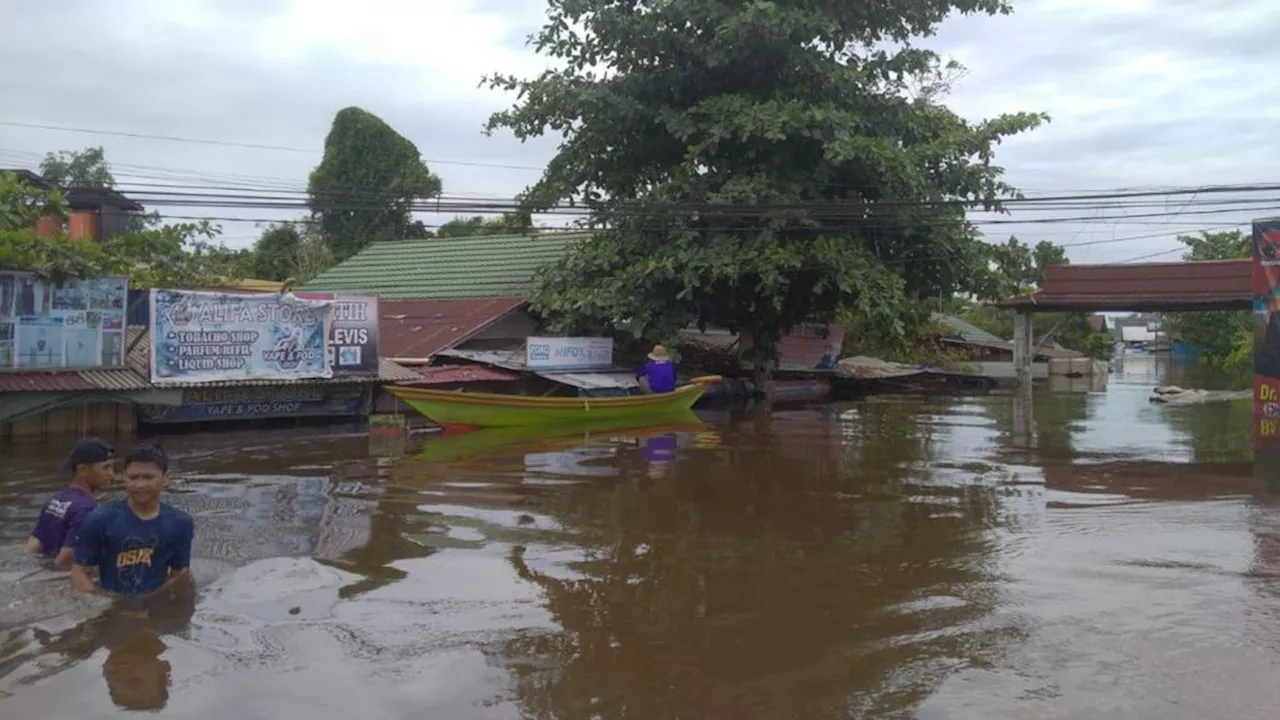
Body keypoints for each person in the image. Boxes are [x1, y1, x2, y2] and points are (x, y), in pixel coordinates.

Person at [72, 442, 194, 597]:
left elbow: (180, 573)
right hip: (111, 600)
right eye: (133, 477)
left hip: (153, 602)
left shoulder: (180, 523)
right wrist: (106, 603)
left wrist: (149, 601)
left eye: (148, 477)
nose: (140, 484)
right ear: (124, 477)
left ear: (166, 477)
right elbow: (80, 571)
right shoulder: (100, 519)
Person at [25, 437, 116, 569]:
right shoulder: (88, 509)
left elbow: (33, 544)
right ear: (82, 470)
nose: (111, 474)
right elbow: (66, 559)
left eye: (112, 467)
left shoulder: (57, 498)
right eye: (105, 468)